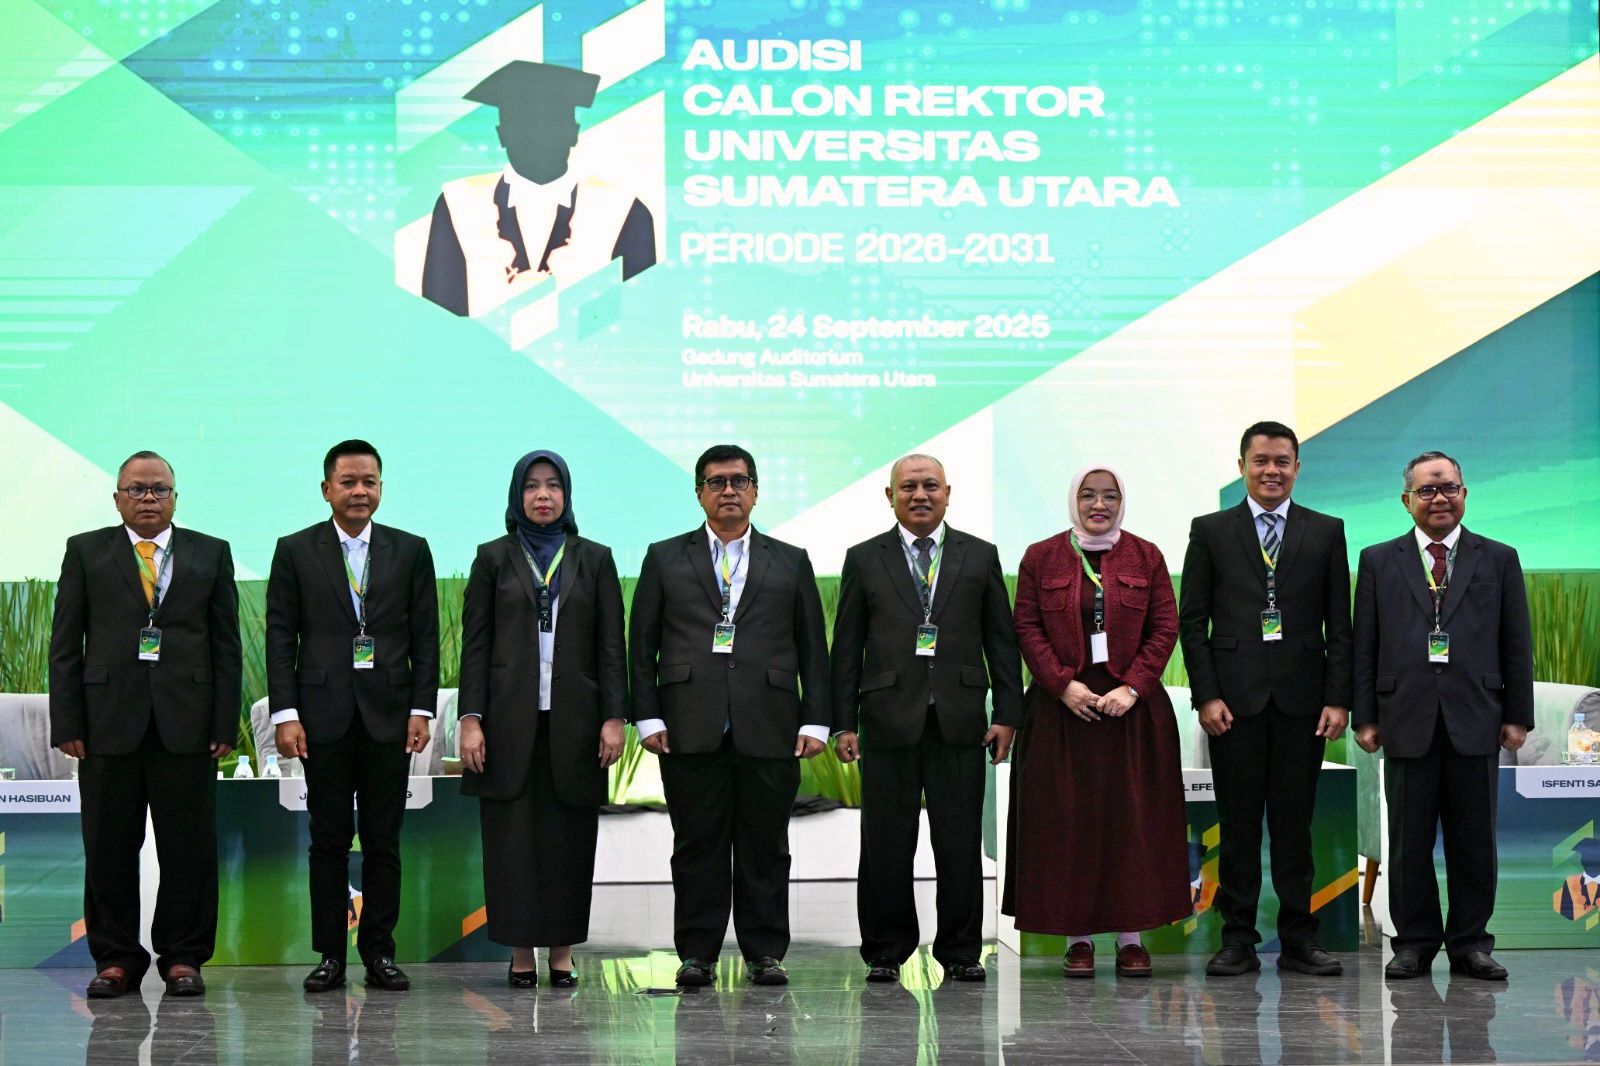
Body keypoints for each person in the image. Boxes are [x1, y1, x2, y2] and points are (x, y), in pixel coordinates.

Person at [628, 444, 831, 987]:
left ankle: (765, 953)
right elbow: (640, 643)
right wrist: (647, 717)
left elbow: (814, 646)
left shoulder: (790, 559)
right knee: (697, 846)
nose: (728, 491)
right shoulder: (665, 556)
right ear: (699, 493)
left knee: (766, 847)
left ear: (756, 491)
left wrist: (816, 720)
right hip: (688, 725)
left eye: (739, 482)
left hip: (770, 724)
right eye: (716, 482)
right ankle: (697, 954)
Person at [48, 450, 242, 998]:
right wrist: (68, 719)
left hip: (189, 723)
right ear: (117, 498)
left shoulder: (210, 553)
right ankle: (114, 959)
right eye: (137, 489)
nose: (149, 498)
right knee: (108, 847)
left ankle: (183, 957)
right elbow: (65, 645)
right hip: (107, 725)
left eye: (159, 489)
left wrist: (224, 720)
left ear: (176, 497)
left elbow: (227, 647)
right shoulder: (86, 552)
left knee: (189, 849)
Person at [830, 453, 1023, 984]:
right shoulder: (864, 558)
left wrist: (1009, 713)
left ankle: (961, 950)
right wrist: (843, 721)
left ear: (948, 492)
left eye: (930, 486)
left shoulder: (979, 556)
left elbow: (1001, 643)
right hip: (887, 719)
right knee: (885, 843)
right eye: (908, 486)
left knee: (958, 842)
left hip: (960, 720)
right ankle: (886, 951)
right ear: (888, 496)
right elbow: (846, 647)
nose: (920, 495)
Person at [1178, 421, 1353, 977]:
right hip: (1233, 705)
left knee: (1294, 827)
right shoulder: (1210, 530)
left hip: (1304, 704)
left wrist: (1337, 699)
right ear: (1241, 467)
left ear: (1297, 468)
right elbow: (1193, 621)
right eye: (1261, 461)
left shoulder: (1326, 531)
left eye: (1282, 461)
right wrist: (1205, 695)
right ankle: (1238, 939)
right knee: (1238, 826)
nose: (1271, 470)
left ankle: (1300, 938)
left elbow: (1339, 626)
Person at [266, 440, 440, 993]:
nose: (359, 490)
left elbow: (426, 639)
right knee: (328, 841)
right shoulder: (295, 550)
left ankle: (380, 953)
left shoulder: (411, 550)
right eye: (348, 481)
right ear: (327, 490)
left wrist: (421, 708)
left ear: (381, 488)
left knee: (385, 841)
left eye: (369, 481)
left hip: (391, 717)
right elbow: (279, 637)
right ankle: (330, 956)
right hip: (322, 719)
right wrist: (286, 713)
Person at [1003, 465, 1190, 977]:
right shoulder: (1041, 556)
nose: (1099, 505)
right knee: (1069, 825)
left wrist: (1133, 687)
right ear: (1073, 501)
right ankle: (1077, 940)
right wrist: (1062, 684)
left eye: (1109, 496)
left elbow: (1165, 625)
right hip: (1063, 714)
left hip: (1133, 715)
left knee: (1133, 824)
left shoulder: (1146, 555)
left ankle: (1132, 938)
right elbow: (1026, 625)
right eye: (1088, 495)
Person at [1353, 450, 1533, 980]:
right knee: (1408, 842)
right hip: (1404, 717)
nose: (1440, 498)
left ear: (1465, 494)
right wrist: (1366, 715)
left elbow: (1515, 642)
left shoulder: (1497, 557)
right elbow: (1365, 643)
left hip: (1477, 716)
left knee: (1474, 841)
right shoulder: (1378, 560)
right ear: (1407, 499)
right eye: (1428, 490)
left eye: (1449, 488)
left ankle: (1472, 944)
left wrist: (1517, 714)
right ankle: (1413, 943)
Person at [457, 450, 628, 987]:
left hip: (576, 725)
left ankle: (561, 952)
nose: (543, 496)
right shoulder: (492, 558)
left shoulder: (594, 558)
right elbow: (476, 646)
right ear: (517, 495)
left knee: (569, 844)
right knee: (511, 844)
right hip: (507, 725)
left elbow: (610, 648)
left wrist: (614, 717)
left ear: (567, 495)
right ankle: (520, 954)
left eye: (553, 486)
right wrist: (470, 718)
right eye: (532, 486)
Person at [414, 59, 657, 319]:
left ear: (573, 132)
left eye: (551, 124)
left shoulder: (623, 209)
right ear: (502, 134)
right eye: (524, 125)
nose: (538, 137)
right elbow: (438, 317)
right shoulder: (458, 204)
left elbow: (637, 318)